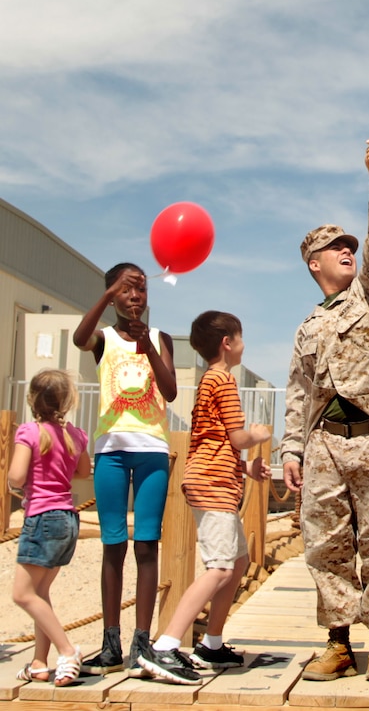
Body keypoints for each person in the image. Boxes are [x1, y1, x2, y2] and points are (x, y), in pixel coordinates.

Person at [281, 138, 369, 682]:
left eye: (348, 245)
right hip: (325, 442)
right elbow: (296, 392)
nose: (347, 250)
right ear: (314, 262)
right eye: (336, 247)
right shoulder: (307, 326)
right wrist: (291, 448)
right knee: (326, 543)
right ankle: (337, 643)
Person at [136, 311, 271, 685]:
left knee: (238, 560)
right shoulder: (224, 381)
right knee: (220, 567)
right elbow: (237, 437)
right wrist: (257, 435)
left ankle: (211, 643)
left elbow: (213, 441)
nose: (244, 344)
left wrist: (245, 470)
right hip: (213, 486)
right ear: (228, 343)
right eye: (241, 338)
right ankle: (166, 645)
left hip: (212, 477)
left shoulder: (208, 381)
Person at [73, 263, 178, 676]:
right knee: (113, 544)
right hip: (111, 451)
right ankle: (110, 641)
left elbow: (169, 391)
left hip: (151, 450)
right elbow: (81, 338)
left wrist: (147, 346)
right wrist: (103, 295)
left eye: (141, 289)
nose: (135, 296)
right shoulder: (103, 339)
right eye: (125, 290)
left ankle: (142, 642)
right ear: (113, 295)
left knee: (147, 543)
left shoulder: (159, 338)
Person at [9, 369, 91, 686]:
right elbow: (83, 471)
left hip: (42, 517)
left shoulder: (29, 432)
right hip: (68, 518)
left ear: (32, 398)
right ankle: (39, 663)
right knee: (41, 592)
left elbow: (16, 477)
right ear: (68, 401)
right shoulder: (76, 435)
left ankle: (67, 650)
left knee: (22, 594)